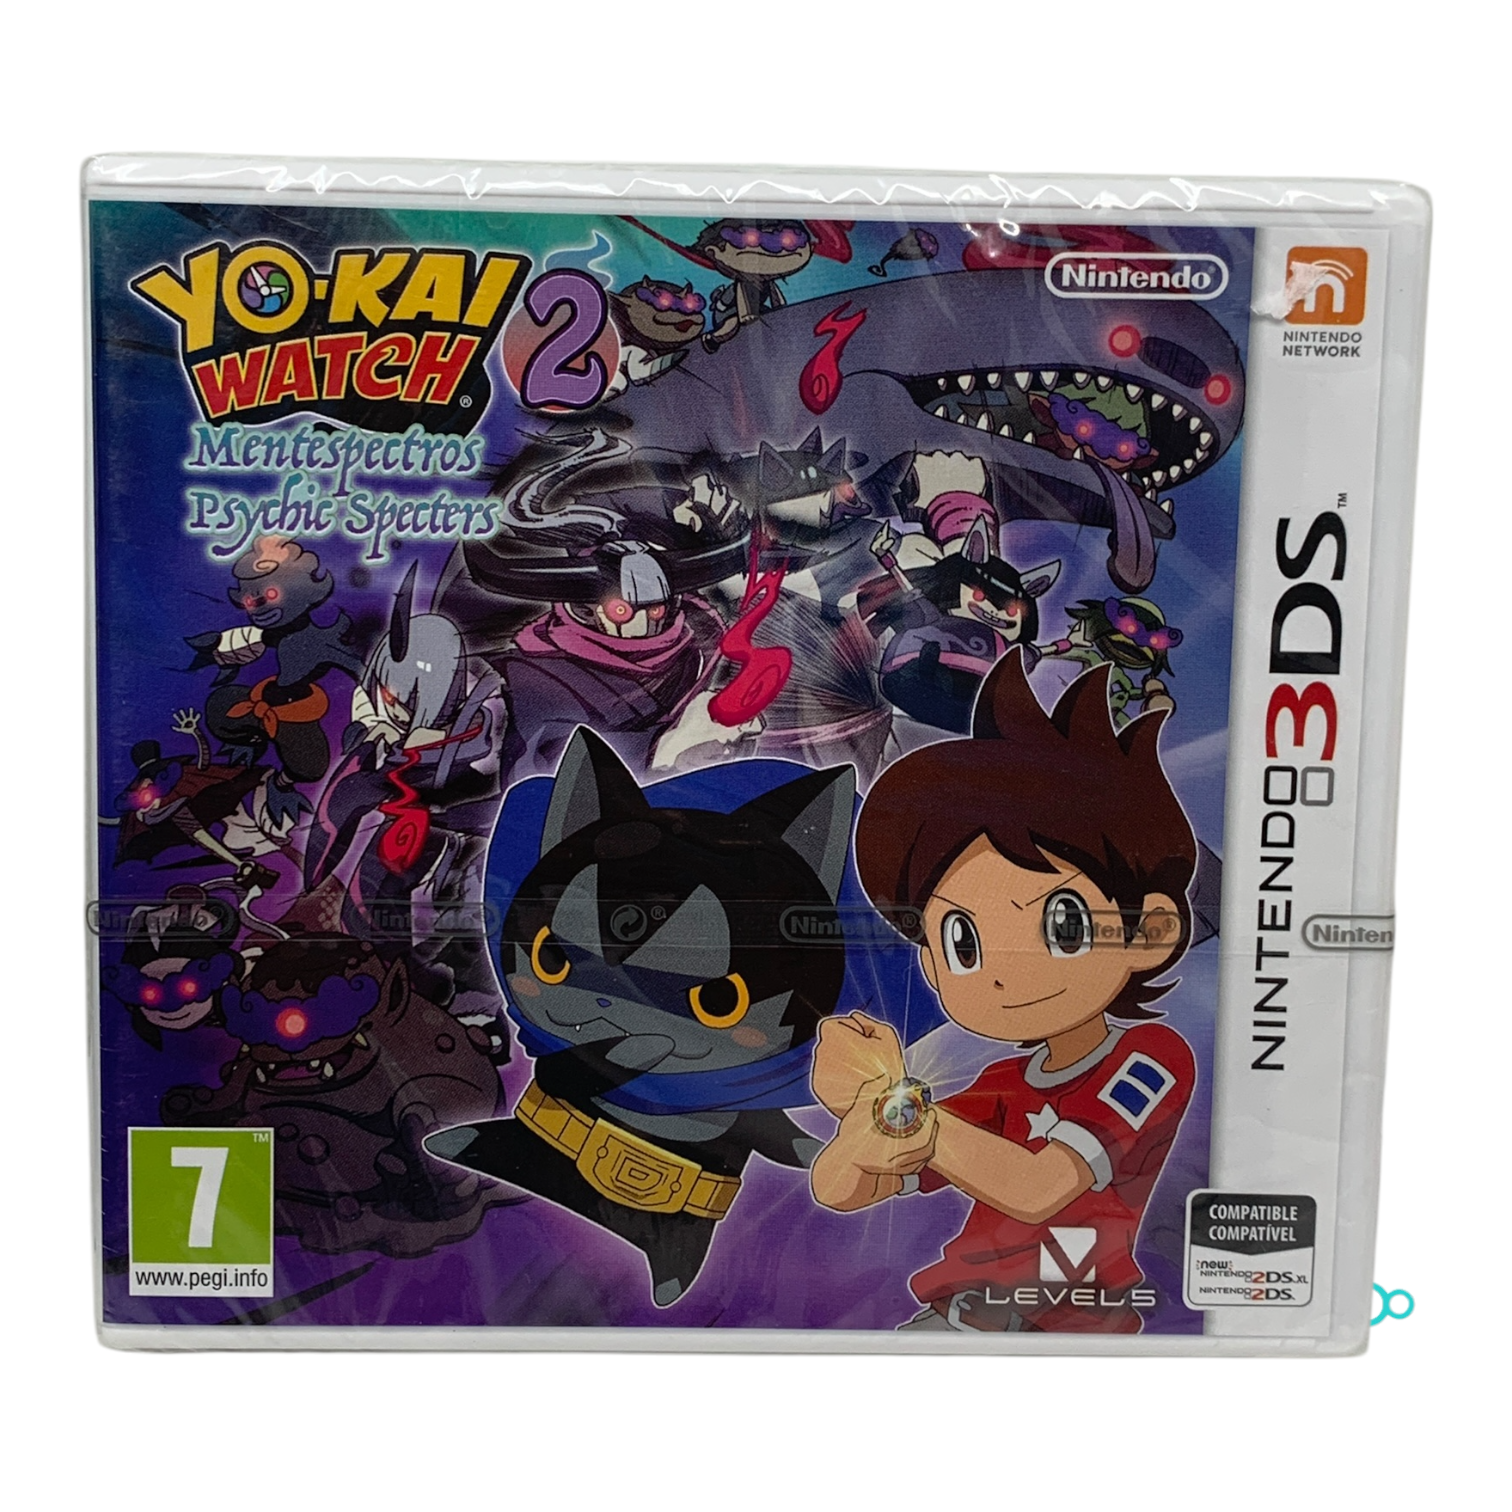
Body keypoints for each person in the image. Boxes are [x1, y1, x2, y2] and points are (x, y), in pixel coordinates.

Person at [810, 649, 1197, 1333]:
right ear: (932, 965)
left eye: (1063, 925)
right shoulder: (1001, 1085)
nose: (1000, 971)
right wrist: (867, 1109)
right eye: (961, 940)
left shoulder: (1150, 1059)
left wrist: (901, 1112)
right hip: (955, 1317)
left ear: (1150, 931)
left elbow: (1039, 1186)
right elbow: (843, 1189)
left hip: (1067, 1328)